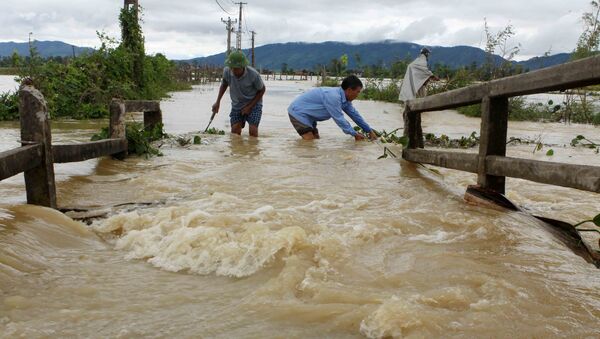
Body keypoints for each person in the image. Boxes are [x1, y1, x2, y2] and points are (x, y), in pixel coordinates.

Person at [287, 75, 377, 141]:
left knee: (316, 140)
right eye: (357, 92)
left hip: (310, 116)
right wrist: (354, 133)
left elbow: (355, 115)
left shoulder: (345, 100)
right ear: (349, 90)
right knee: (309, 142)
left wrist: (369, 130)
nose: (358, 95)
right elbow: (339, 119)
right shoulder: (333, 97)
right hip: (298, 113)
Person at [211, 51, 266, 137]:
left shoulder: (253, 74)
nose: (233, 71)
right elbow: (224, 84)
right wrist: (218, 102)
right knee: (235, 134)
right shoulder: (227, 71)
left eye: (236, 68)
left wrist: (249, 107)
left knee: (253, 132)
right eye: (231, 68)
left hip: (254, 104)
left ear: (242, 67)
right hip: (237, 104)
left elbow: (262, 90)